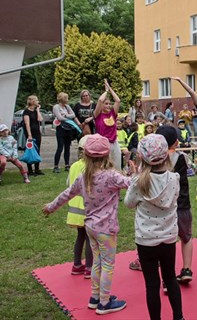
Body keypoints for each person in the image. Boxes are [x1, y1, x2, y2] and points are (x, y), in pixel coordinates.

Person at [42, 134, 130, 315]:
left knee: (97, 262)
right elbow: (132, 184)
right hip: (107, 229)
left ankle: (95, 297)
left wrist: (51, 207)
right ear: (108, 155)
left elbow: (67, 194)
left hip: (90, 227)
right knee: (107, 264)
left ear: (86, 156)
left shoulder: (84, 176)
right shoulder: (112, 176)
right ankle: (104, 303)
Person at [124, 134, 184, 320]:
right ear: (166, 155)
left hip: (146, 240)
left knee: (152, 285)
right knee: (170, 278)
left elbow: (128, 203)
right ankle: (178, 316)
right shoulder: (174, 178)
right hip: (168, 238)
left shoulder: (139, 182)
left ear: (141, 157)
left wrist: (135, 176)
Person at [155, 126, 194, 284]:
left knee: (165, 242)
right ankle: (186, 269)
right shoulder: (182, 157)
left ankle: (167, 278)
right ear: (176, 142)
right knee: (186, 237)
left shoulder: (156, 159)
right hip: (183, 204)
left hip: (165, 207)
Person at [66, 135, 93, 279]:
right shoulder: (91, 166)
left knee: (80, 236)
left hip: (74, 208)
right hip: (87, 208)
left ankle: (77, 265)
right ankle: (89, 267)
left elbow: (69, 184)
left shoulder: (75, 165)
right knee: (90, 238)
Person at [93, 79, 122, 170]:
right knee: (105, 166)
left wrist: (109, 88)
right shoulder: (98, 115)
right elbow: (100, 100)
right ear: (102, 106)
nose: (109, 105)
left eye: (109, 104)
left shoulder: (112, 114)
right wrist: (106, 91)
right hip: (103, 142)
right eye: (106, 104)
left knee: (117, 165)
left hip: (114, 142)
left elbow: (117, 100)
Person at [53, 92, 81, 173]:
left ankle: (67, 165)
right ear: (62, 99)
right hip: (60, 128)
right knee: (60, 147)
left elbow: (73, 115)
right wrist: (67, 116)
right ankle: (56, 166)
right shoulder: (56, 107)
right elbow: (60, 118)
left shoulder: (67, 106)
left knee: (67, 147)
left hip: (68, 129)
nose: (67, 100)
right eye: (66, 98)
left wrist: (66, 115)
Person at [23, 95, 44, 176]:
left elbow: (40, 119)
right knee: (30, 150)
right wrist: (29, 135)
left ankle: (37, 169)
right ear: (32, 101)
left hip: (37, 133)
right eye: (36, 100)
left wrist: (38, 110)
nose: (38, 102)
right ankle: (30, 170)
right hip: (30, 133)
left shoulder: (36, 111)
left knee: (37, 150)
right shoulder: (26, 111)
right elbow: (27, 123)